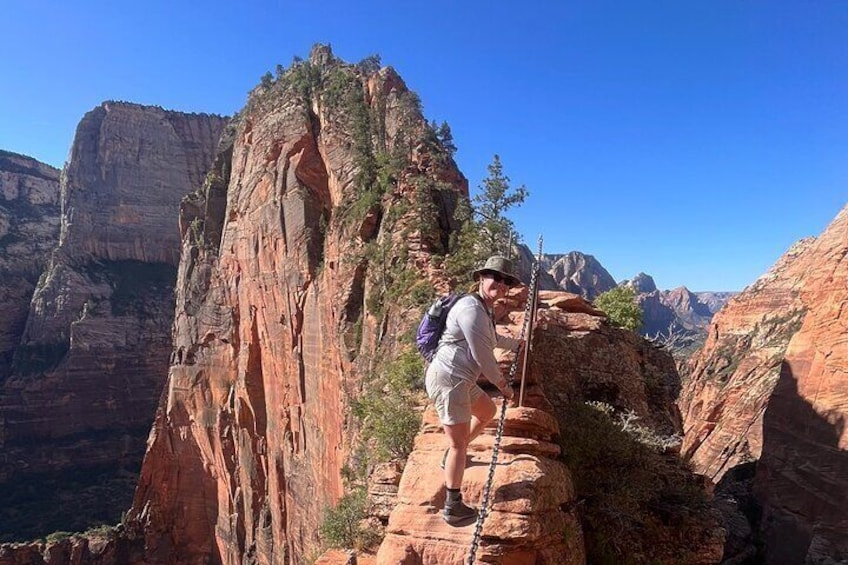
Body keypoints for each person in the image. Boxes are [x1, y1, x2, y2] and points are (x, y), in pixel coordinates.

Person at [424, 255, 523, 526]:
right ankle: (452, 506)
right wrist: (504, 388)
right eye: (496, 278)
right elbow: (483, 357)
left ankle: (455, 455)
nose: (501, 285)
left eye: (506, 281)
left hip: (460, 380)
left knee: (487, 411)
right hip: (450, 379)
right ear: (481, 278)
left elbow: (491, 339)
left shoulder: (483, 308)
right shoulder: (471, 309)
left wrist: (518, 344)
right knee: (457, 444)